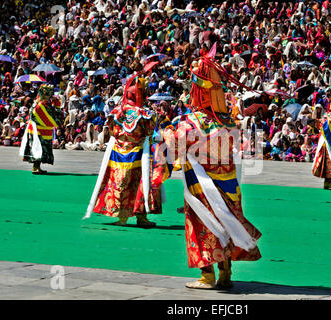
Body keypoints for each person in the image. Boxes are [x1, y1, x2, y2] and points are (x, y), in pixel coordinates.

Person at [161, 44, 261, 289]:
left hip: (201, 188)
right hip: (228, 184)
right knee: (227, 223)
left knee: (203, 226)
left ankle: (207, 276)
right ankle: (226, 273)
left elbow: (175, 150)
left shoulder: (190, 122)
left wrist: (166, 133)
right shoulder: (229, 121)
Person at [89, 74, 157, 227]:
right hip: (138, 154)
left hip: (118, 154)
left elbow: (112, 132)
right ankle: (141, 217)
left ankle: (122, 217)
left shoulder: (117, 112)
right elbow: (149, 132)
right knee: (139, 184)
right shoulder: (143, 114)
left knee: (118, 184)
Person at [20, 84, 61, 174]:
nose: (49, 96)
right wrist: (56, 107)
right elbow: (53, 118)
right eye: (48, 94)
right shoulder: (40, 105)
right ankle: (36, 167)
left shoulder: (44, 104)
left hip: (42, 131)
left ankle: (37, 167)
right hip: (38, 131)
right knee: (38, 148)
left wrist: (55, 104)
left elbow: (54, 115)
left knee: (40, 149)